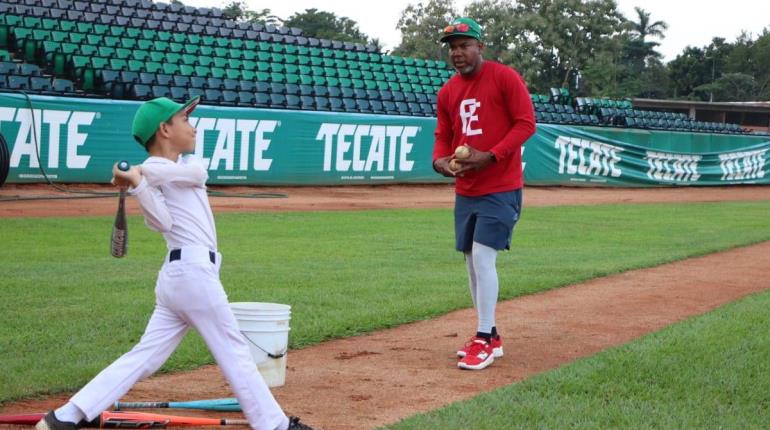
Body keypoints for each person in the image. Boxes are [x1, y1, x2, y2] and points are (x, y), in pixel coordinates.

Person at [36, 97, 314, 430]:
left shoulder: (167, 170)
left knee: (144, 357)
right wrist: (138, 180)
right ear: (164, 129)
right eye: (184, 118)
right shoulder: (155, 169)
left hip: (179, 279)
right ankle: (275, 425)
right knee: (234, 351)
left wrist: (137, 181)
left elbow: (181, 195)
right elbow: (167, 206)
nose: (192, 125)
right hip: (192, 275)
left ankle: (66, 416)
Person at [432, 18, 536, 370]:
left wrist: (491, 155)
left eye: (464, 45)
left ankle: (483, 338)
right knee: (471, 262)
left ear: (480, 46)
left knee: (482, 257)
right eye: (452, 47)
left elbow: (526, 123)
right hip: (467, 188)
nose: (457, 53)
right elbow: (443, 134)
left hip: (501, 186)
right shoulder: (447, 91)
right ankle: (489, 333)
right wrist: (439, 160)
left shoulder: (503, 77)